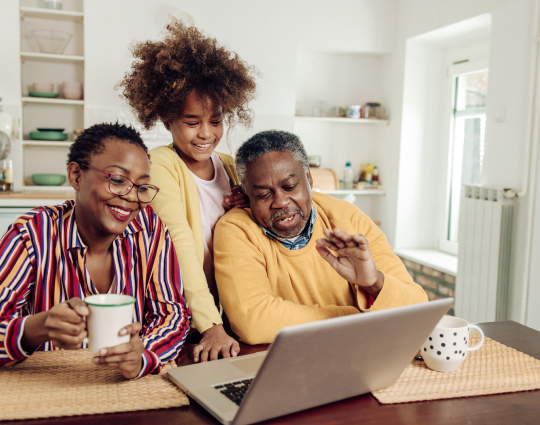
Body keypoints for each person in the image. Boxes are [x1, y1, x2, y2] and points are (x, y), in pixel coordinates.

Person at [0, 123, 190, 378]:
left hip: (126, 394)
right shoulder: (31, 234)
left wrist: (144, 356)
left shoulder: (150, 230)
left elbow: (173, 315)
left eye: (142, 186)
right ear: (76, 175)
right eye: (118, 180)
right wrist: (36, 328)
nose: (132, 197)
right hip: (45, 388)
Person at [118, 21, 257, 362]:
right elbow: (178, 240)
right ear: (167, 119)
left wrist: (247, 204)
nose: (205, 134)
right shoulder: (161, 164)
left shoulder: (228, 164)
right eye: (192, 122)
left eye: (216, 121)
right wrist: (209, 324)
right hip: (182, 316)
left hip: (225, 315)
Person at [214, 130, 428, 344]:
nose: (280, 202)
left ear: (308, 177)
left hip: (360, 352)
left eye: (289, 186)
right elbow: (253, 322)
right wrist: (357, 318)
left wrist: (373, 283)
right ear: (245, 193)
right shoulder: (236, 229)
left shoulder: (348, 218)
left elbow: (418, 308)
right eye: (263, 194)